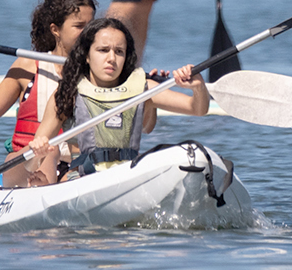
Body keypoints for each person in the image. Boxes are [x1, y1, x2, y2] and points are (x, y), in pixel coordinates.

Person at [24, 16, 209, 186]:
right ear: (87, 56)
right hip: (83, 177)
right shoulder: (68, 92)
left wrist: (198, 87)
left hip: (128, 174)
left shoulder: (144, 89)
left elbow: (197, 109)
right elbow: (31, 163)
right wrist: (37, 153)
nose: (111, 58)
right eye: (103, 50)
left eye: (119, 52)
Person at [0, 0, 97, 187]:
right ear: (56, 30)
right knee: (49, 151)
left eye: (91, 26)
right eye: (79, 26)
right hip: (25, 165)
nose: (88, 33)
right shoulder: (28, 66)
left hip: (72, 168)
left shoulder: (100, 71)